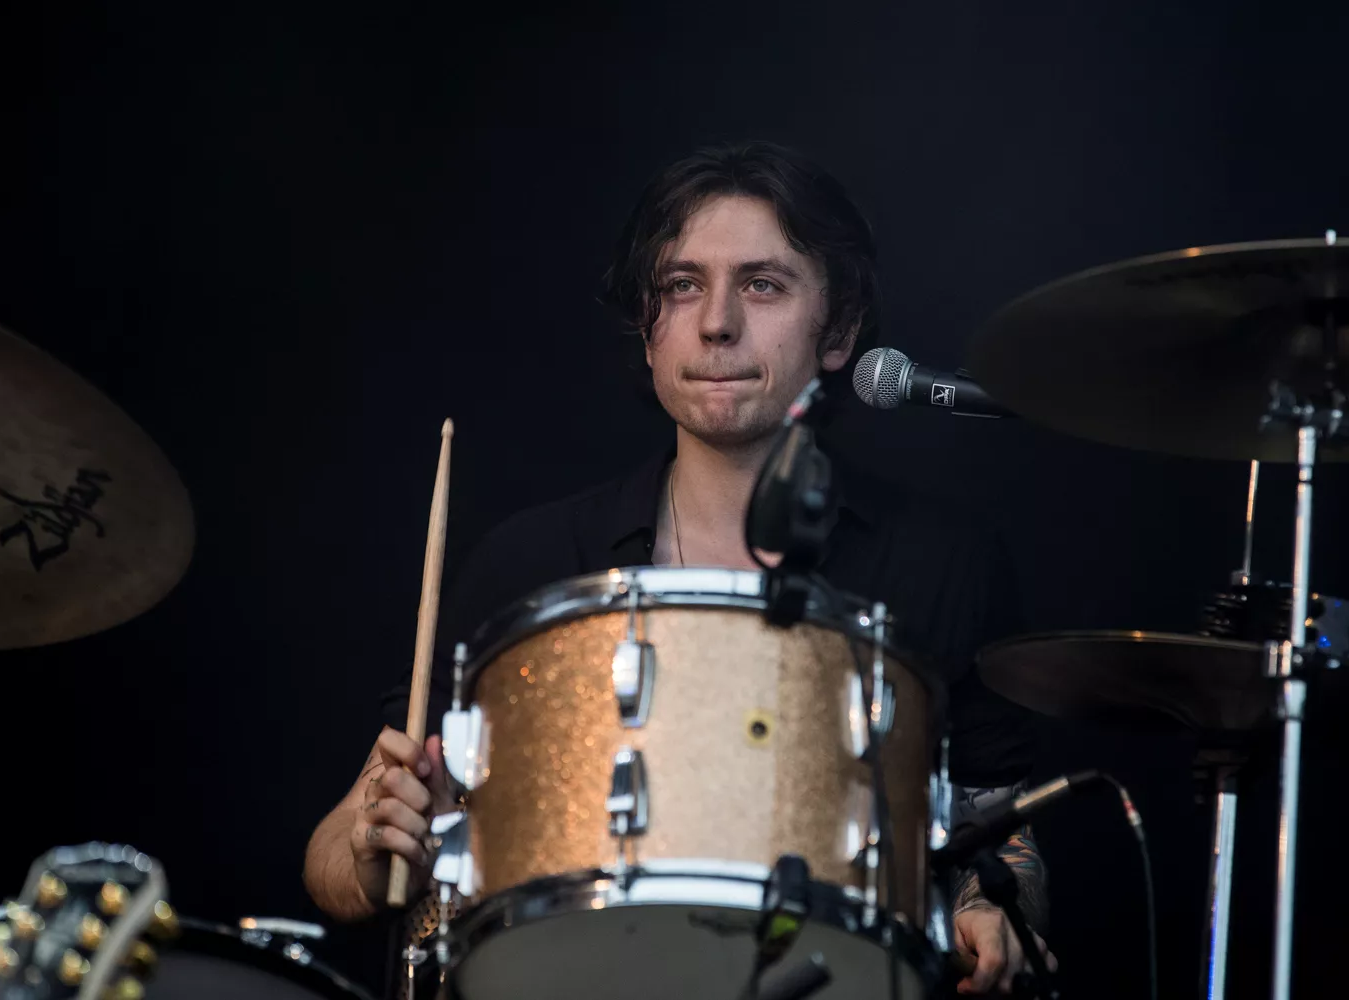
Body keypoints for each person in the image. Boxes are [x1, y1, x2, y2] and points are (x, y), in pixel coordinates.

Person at [303, 141, 1054, 995]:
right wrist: (373, 851)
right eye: (682, 285)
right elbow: (333, 858)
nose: (717, 322)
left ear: (841, 331)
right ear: (648, 328)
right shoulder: (532, 563)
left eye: (762, 285)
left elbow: (1002, 828)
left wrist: (995, 909)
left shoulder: (942, 561)